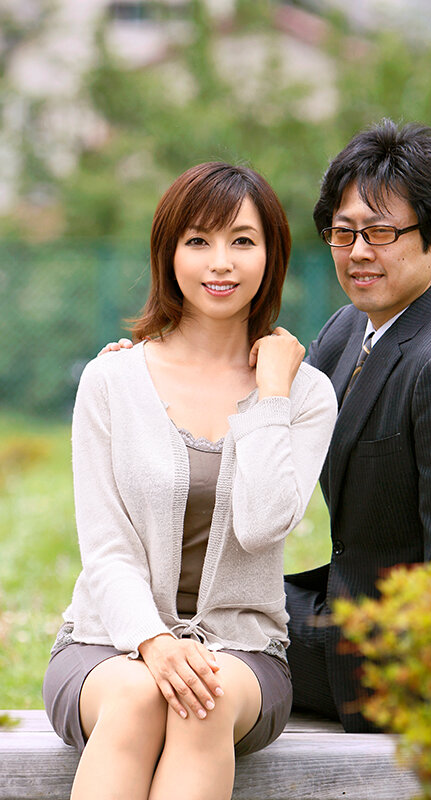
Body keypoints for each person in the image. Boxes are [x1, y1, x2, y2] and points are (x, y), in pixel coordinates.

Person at [100, 120, 431, 734]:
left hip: (409, 660)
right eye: (343, 232)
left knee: (188, 627)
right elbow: (261, 387)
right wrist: (148, 370)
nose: (358, 252)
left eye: (381, 232)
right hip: (347, 608)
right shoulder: (351, 328)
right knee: (175, 611)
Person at [43, 161, 337, 800]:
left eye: (242, 240)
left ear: (271, 254)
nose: (220, 263)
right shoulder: (111, 381)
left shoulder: (305, 395)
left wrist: (269, 396)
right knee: (140, 697)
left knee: (201, 701)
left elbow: (262, 524)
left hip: (244, 655)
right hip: (106, 644)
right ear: (169, 253)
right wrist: (152, 641)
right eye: (198, 240)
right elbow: (106, 546)